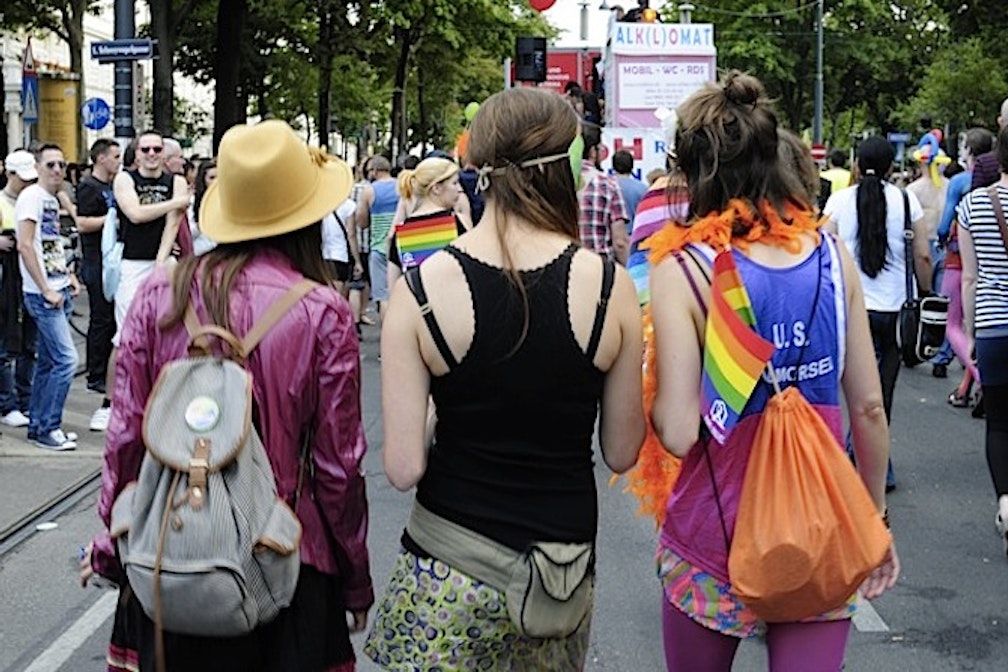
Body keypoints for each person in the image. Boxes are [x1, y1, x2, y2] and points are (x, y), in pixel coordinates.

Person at [363, 86, 645, 671]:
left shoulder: (419, 290)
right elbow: (621, 452)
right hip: (557, 575)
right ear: (567, 168)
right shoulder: (609, 288)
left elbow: (404, 467)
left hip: (447, 562)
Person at [80, 119, 374, 670]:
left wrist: (111, 546)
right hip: (286, 555)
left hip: (173, 556)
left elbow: (126, 439)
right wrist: (354, 576)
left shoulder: (159, 295)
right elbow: (339, 466)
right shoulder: (322, 312)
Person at [648, 71, 899, 672]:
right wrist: (871, 520)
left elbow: (679, 433)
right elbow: (868, 407)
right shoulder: (832, 257)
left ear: (691, 171)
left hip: (712, 536)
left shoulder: (684, 271)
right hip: (820, 530)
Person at [824, 135, 932, 492]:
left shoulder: (840, 201)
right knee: (882, 392)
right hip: (898, 309)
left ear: (857, 164)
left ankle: (856, 457)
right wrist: (926, 292)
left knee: (856, 393)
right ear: (890, 168)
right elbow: (922, 255)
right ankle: (876, 463)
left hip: (854, 309)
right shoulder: (907, 201)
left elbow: (821, 248)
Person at [104, 130, 189, 414]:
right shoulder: (125, 179)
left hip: (163, 262)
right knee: (124, 335)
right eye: (146, 149)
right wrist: (176, 202)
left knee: (169, 330)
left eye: (157, 149)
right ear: (137, 154)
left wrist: (161, 260)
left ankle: (162, 399)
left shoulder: (175, 181)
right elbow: (136, 214)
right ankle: (111, 402)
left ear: (164, 153)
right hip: (131, 262)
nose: (152, 154)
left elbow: (173, 224)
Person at [957, 123, 1008, 557]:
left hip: (993, 325)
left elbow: (969, 278)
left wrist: (972, 332)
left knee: (999, 422)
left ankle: (1006, 503)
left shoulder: (972, 205)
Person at [15, 144, 82, 450]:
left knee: (48, 362)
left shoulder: (50, 199)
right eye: (50, 164)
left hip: (57, 286)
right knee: (67, 360)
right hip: (44, 294)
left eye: (61, 164)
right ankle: (49, 427)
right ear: (38, 167)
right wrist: (45, 288)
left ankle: (39, 424)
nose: (57, 170)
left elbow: (50, 245)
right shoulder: (32, 197)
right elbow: (25, 245)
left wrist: (67, 276)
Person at [938, 127, 994, 402]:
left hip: (958, 257)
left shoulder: (960, 182)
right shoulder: (995, 180)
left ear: (968, 151)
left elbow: (944, 223)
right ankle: (965, 389)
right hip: (991, 256)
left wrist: (941, 238)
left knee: (953, 324)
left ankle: (984, 378)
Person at [74, 138, 122, 431]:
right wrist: (111, 219)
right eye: (115, 156)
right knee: (101, 317)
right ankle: (96, 372)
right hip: (95, 259)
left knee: (110, 317)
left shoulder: (112, 185)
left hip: (110, 258)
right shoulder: (89, 187)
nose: (118, 161)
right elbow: (82, 222)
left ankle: (104, 370)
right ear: (101, 158)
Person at [386, 156, 470, 288]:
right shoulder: (459, 222)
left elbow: (393, 287)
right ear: (436, 188)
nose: (459, 189)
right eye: (454, 183)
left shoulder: (401, 234)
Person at [0, 150, 38, 429]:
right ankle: (7, 403)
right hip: (6, 278)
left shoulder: (34, 199)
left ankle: (25, 399)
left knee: (29, 343)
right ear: (9, 173)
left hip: (27, 275)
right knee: (5, 342)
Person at [354, 155, 398, 319]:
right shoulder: (402, 187)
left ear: (374, 171)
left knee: (383, 296)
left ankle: (388, 329)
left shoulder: (369, 191)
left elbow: (362, 221)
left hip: (379, 247)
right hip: (401, 246)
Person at [579, 124, 630, 264]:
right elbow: (620, 242)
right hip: (601, 266)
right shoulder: (607, 184)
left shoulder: (559, 182)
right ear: (592, 152)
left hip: (568, 267)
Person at [612, 149, 648, 234]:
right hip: (635, 235)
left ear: (613, 166)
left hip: (613, 236)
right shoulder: (642, 189)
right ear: (632, 166)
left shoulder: (606, 187)